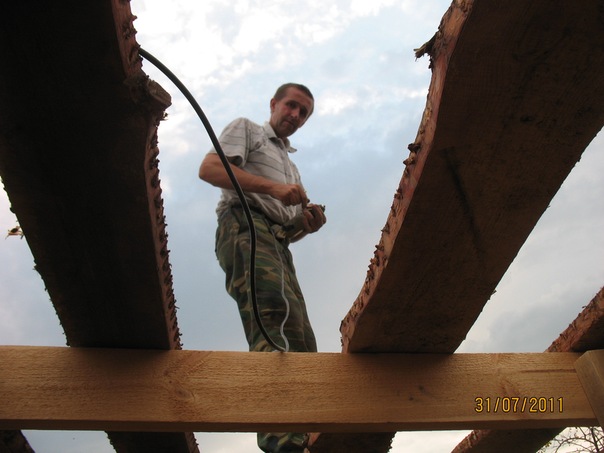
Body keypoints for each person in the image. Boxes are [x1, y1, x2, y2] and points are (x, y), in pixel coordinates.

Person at [198, 83, 326, 452]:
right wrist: (271, 189)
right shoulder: (249, 130)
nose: (295, 115)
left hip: (276, 241)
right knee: (274, 323)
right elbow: (209, 169)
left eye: (303, 113)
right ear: (274, 104)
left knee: (300, 334)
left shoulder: (291, 166)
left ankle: (300, 433)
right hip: (245, 224)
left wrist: (306, 223)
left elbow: (288, 228)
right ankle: (280, 439)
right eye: (291, 106)